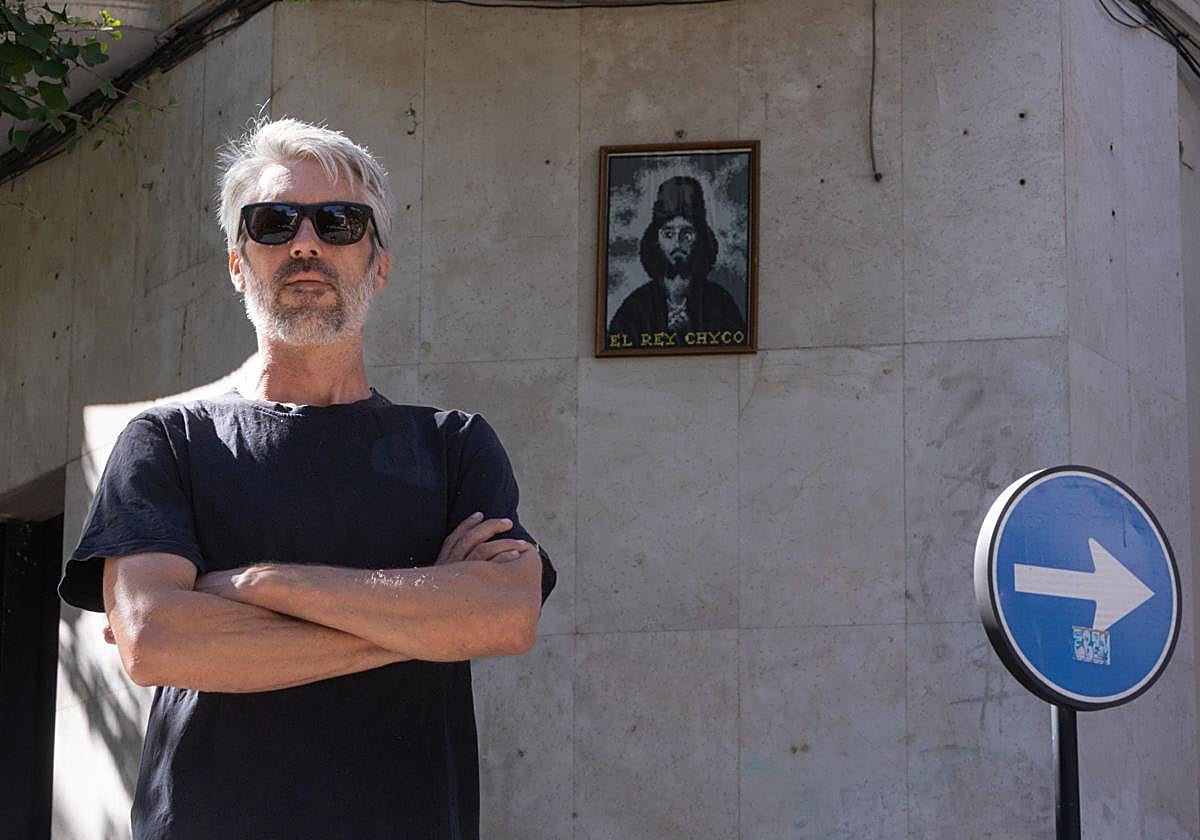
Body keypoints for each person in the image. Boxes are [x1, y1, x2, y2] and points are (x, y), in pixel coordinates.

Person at [58, 117, 555, 840]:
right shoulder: (167, 442)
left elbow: (506, 616)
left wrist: (261, 585)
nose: (305, 244)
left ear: (378, 266)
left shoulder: (454, 446)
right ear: (238, 264)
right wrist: (429, 623)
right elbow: (156, 640)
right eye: (274, 222)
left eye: (339, 222)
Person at [606, 175, 746, 350]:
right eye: (668, 234)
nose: (677, 243)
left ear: (700, 240)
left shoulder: (720, 302)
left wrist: (688, 332)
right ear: (655, 241)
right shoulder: (635, 307)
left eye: (686, 233)